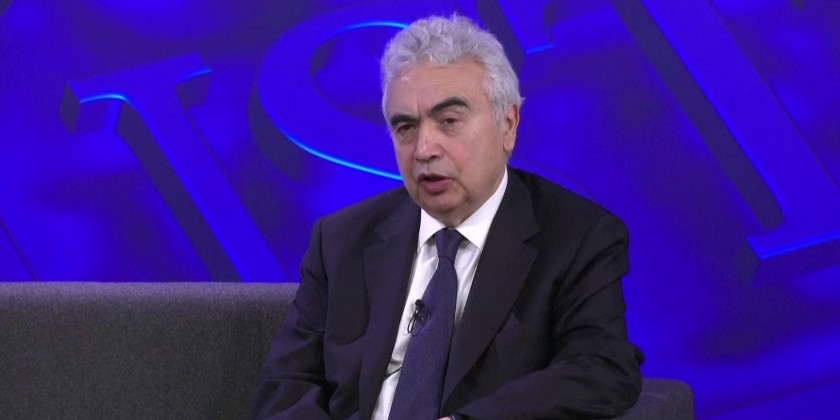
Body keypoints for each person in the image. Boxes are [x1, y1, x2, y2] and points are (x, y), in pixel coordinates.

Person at [251, 14, 643, 420]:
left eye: (449, 122)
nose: (423, 150)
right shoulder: (341, 240)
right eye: (405, 128)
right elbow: (284, 387)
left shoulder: (578, 238)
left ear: (508, 125)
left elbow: (601, 369)